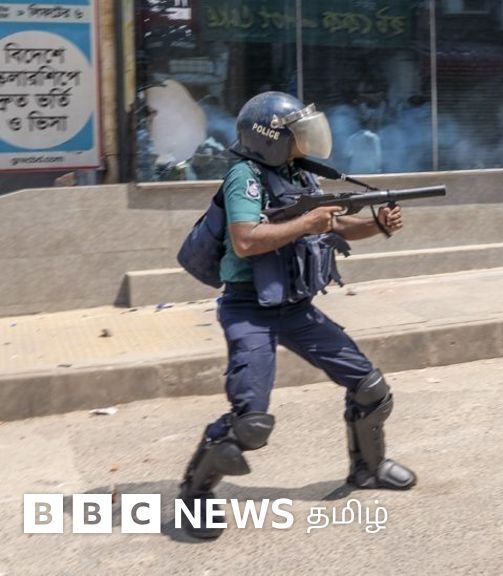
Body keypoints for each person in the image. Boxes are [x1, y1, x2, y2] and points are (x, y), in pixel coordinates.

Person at [179, 91, 417, 540]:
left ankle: (368, 469)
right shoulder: (243, 178)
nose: (304, 143)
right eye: (295, 136)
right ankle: (195, 493)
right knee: (251, 424)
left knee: (371, 389)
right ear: (269, 138)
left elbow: (336, 226)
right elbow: (247, 239)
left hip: (295, 306)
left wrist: (378, 224)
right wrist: (307, 224)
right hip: (249, 306)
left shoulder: (298, 175)